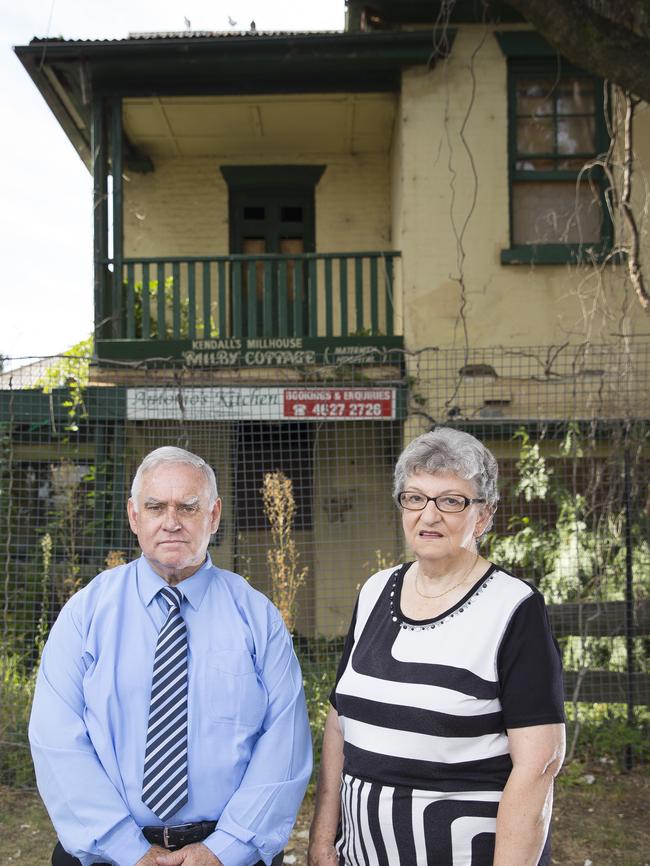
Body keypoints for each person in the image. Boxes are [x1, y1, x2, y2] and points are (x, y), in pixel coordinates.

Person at [30, 446, 312, 866]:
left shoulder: (257, 617)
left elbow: (284, 744)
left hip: (226, 853)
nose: (172, 522)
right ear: (134, 516)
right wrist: (127, 849)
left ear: (213, 516)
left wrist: (225, 849)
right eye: (156, 506)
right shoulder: (86, 614)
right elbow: (56, 739)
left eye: (188, 507)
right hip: (106, 855)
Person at [308, 427, 565, 866]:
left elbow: (538, 764)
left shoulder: (514, 608)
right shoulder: (373, 591)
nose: (429, 516)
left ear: (482, 516)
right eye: (415, 498)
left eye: (450, 501)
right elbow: (340, 720)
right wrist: (321, 838)